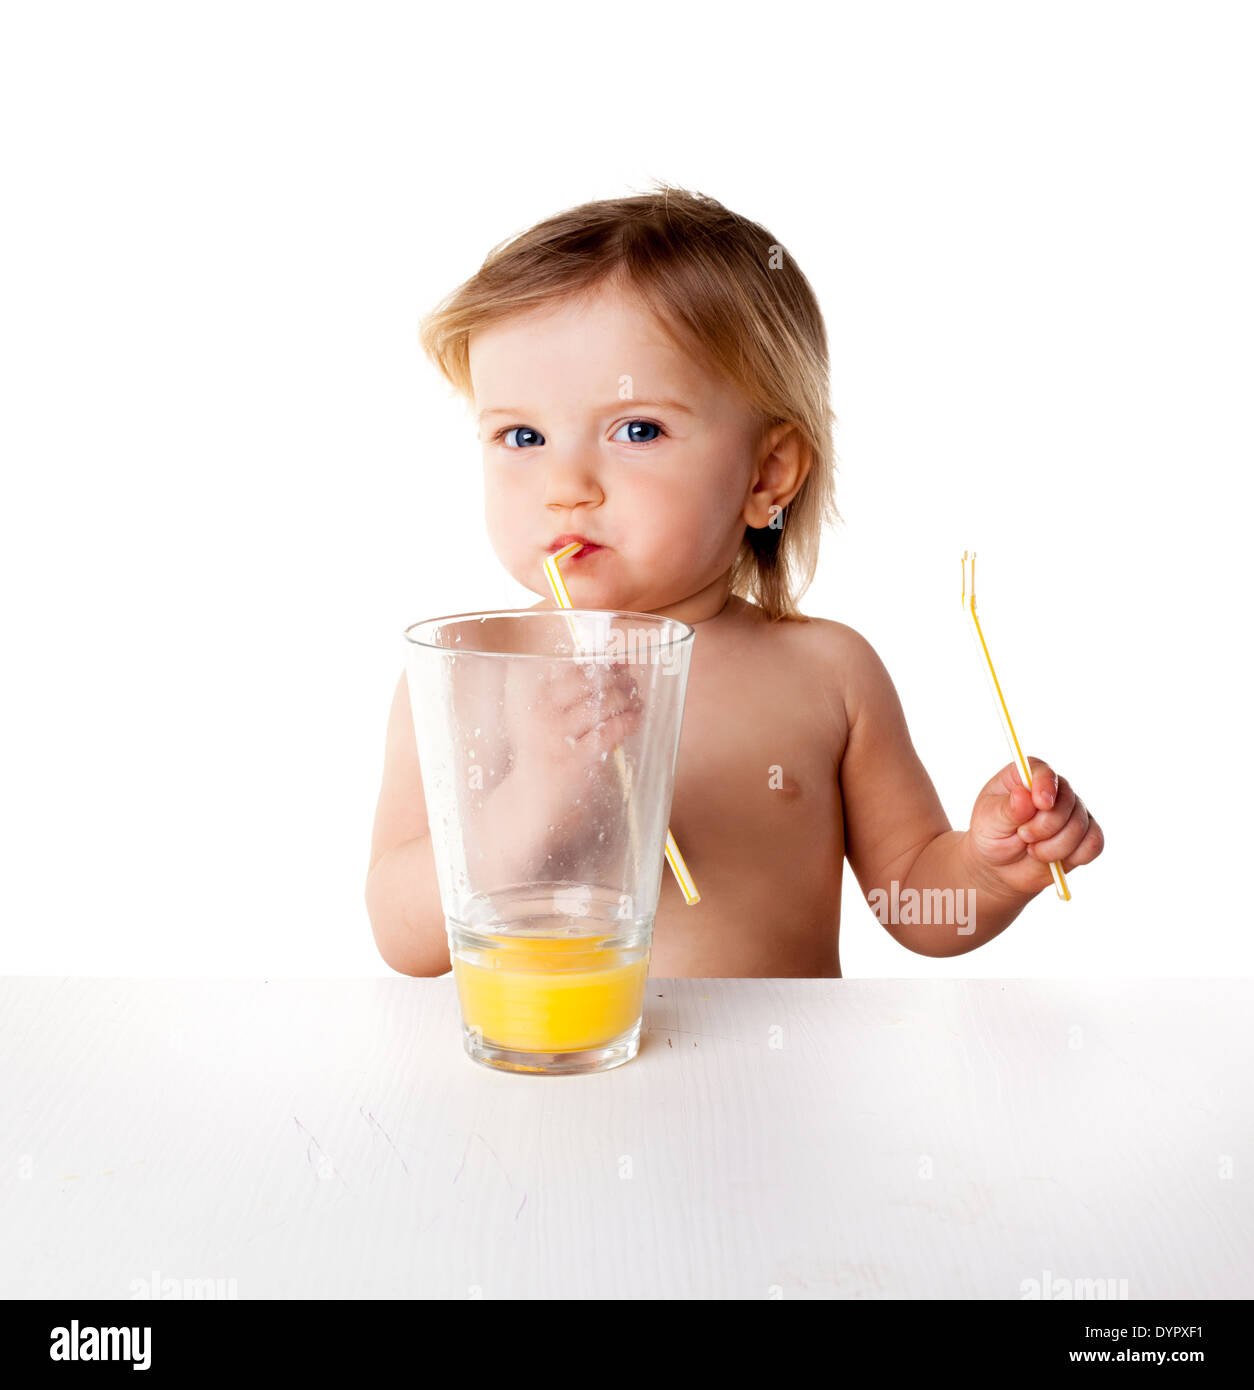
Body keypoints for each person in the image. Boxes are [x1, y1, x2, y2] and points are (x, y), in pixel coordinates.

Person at [366, 184, 1103, 977]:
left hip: (779, 1096)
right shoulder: (468, 671)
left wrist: (991, 871)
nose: (565, 484)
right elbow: (405, 939)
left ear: (767, 473)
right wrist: (540, 790)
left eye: (637, 429)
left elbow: (914, 903)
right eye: (522, 435)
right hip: (555, 1083)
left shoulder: (826, 673)